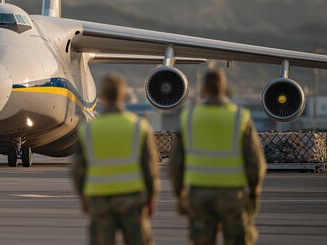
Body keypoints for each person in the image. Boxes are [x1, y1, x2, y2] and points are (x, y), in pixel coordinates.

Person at [169, 69, 266, 245]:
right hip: (232, 195)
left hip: (199, 195)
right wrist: (254, 192)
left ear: (204, 88)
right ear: (223, 87)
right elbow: (255, 161)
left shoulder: (190, 117)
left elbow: (176, 163)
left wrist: (179, 193)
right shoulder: (239, 117)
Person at [72, 73, 160, 245]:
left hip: (100, 201)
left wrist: (84, 198)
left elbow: (78, 170)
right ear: (122, 95)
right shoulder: (139, 128)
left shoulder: (88, 131)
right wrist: (151, 198)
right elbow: (150, 168)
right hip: (132, 200)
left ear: (103, 96)